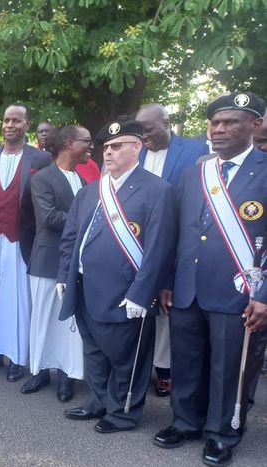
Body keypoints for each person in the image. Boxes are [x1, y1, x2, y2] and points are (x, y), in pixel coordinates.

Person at [153, 92, 267, 467]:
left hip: (238, 291)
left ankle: (222, 431)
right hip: (188, 287)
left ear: (255, 125)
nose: (218, 129)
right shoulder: (195, 172)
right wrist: (168, 279)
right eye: (215, 123)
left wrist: (264, 295)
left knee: (228, 366)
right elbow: (177, 232)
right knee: (187, 361)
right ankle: (185, 421)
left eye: (229, 122)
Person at [57, 119, 175, 434]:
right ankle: (98, 401)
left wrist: (142, 292)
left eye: (117, 146)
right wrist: (63, 276)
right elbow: (71, 237)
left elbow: (159, 249)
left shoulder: (157, 190)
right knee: (94, 353)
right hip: (85, 289)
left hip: (125, 294)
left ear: (137, 147)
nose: (108, 153)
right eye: (106, 147)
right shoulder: (91, 190)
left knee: (126, 359)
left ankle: (123, 412)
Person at [0, 104, 51, 382]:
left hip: (22, 239)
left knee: (18, 300)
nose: (10, 125)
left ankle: (17, 357)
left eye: (16, 121)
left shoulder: (40, 159)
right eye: (6, 120)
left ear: (27, 125)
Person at [135, 103, 209, 398]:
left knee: (167, 310)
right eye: (139, 131)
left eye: (148, 129)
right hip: (137, 244)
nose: (143, 136)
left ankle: (165, 372)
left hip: (178, 243)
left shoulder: (195, 150)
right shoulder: (134, 151)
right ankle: (136, 368)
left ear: (166, 123)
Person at [21, 125, 89, 401]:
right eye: (86, 141)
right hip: (47, 259)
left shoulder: (83, 181)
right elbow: (48, 217)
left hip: (73, 260)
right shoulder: (42, 179)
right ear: (69, 143)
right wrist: (85, 221)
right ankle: (39, 372)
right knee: (42, 320)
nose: (90, 147)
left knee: (68, 324)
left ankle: (67, 377)